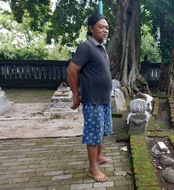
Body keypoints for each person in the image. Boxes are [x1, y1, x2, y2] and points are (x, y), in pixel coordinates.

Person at [67, 14, 113, 182]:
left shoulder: (101, 48)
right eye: (101, 27)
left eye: (107, 27)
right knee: (94, 135)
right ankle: (93, 169)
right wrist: (75, 94)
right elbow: (72, 70)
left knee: (101, 131)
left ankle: (99, 158)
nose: (105, 30)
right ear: (91, 28)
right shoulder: (86, 47)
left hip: (104, 99)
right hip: (92, 100)